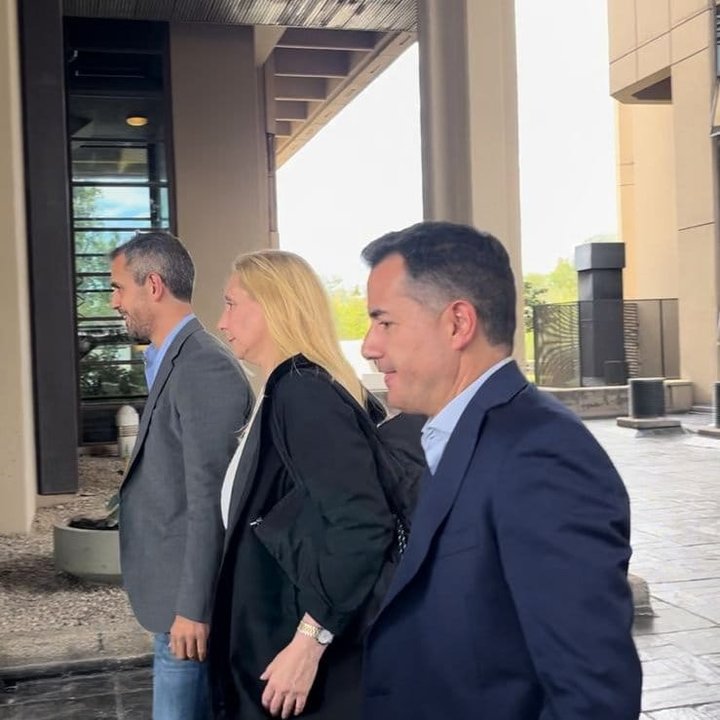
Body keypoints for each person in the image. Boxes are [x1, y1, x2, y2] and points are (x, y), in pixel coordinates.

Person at [360, 221, 642, 720]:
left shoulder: (542, 456)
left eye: (384, 323)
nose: (368, 346)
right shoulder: (457, 432)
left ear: (457, 323)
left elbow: (593, 697)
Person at [209, 249, 395, 720]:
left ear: (273, 305)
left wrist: (308, 643)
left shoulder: (303, 393)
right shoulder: (284, 389)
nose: (221, 321)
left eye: (231, 303)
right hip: (277, 649)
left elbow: (362, 523)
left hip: (297, 662)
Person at [110, 231, 253, 720]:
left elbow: (210, 500)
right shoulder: (167, 359)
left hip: (186, 613)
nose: (114, 302)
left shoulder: (203, 366)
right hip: (172, 605)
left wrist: (193, 608)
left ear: (153, 286)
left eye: (118, 288)